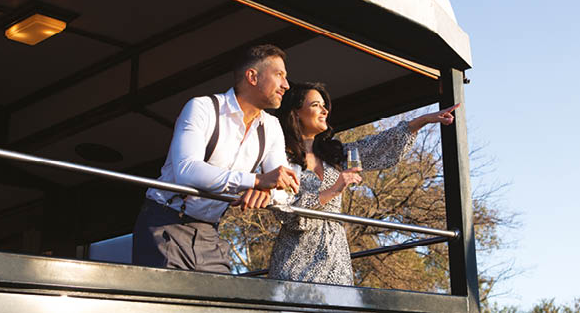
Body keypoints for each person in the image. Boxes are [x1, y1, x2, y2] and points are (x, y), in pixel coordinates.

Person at [267, 81, 459, 285]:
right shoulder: (281, 158)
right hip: (295, 259)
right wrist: (333, 190)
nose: (324, 110)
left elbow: (378, 146)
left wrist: (423, 120)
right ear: (296, 112)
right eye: (316, 105)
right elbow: (285, 210)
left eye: (324, 105)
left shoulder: (335, 154)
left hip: (335, 258)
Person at [132, 44, 300, 273]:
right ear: (252, 76)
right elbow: (187, 170)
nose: (286, 85)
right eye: (279, 75)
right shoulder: (202, 108)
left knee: (222, 294)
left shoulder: (271, 127)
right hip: (164, 220)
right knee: (168, 296)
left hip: (210, 232)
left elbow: (287, 188)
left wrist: (268, 192)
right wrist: (256, 181)